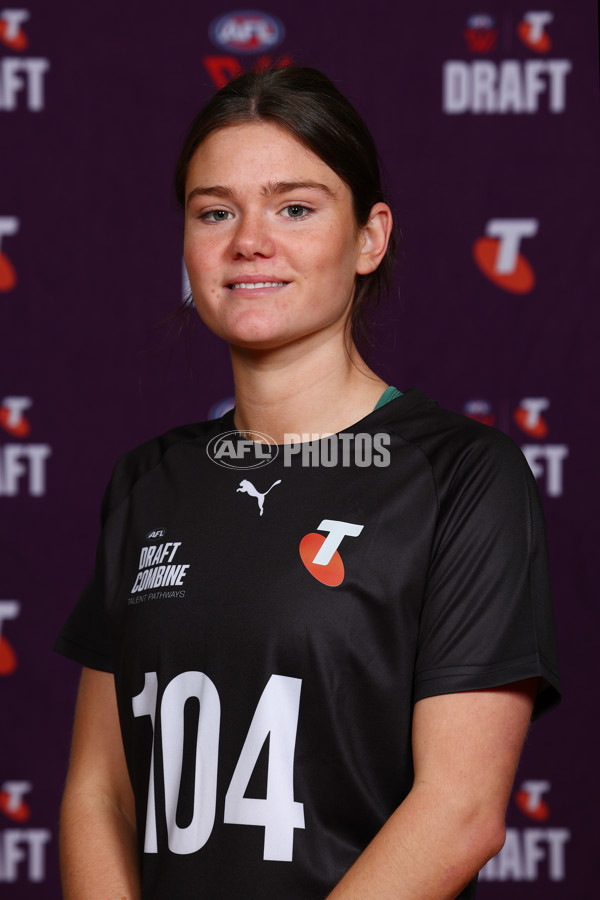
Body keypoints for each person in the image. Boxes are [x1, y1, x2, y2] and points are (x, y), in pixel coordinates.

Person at [55, 66, 560, 900]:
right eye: (215, 212)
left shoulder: (462, 474)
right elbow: (99, 793)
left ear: (369, 238)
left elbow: (461, 812)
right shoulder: (148, 480)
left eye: (294, 208)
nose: (250, 241)